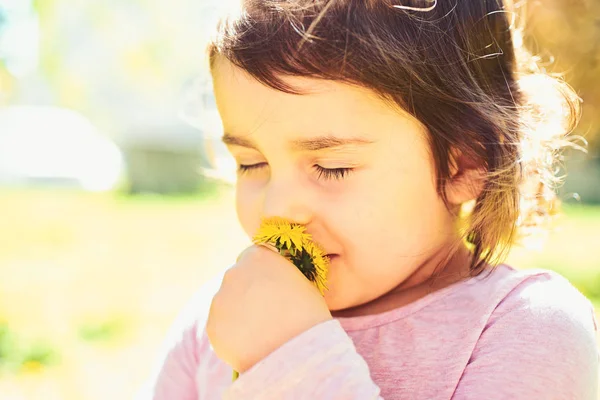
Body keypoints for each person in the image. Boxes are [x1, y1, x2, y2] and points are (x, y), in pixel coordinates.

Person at [140, 0, 599, 398]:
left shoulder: (528, 331)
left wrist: (289, 362)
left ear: (464, 164)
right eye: (251, 163)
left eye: (332, 167)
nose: (276, 208)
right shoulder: (215, 323)